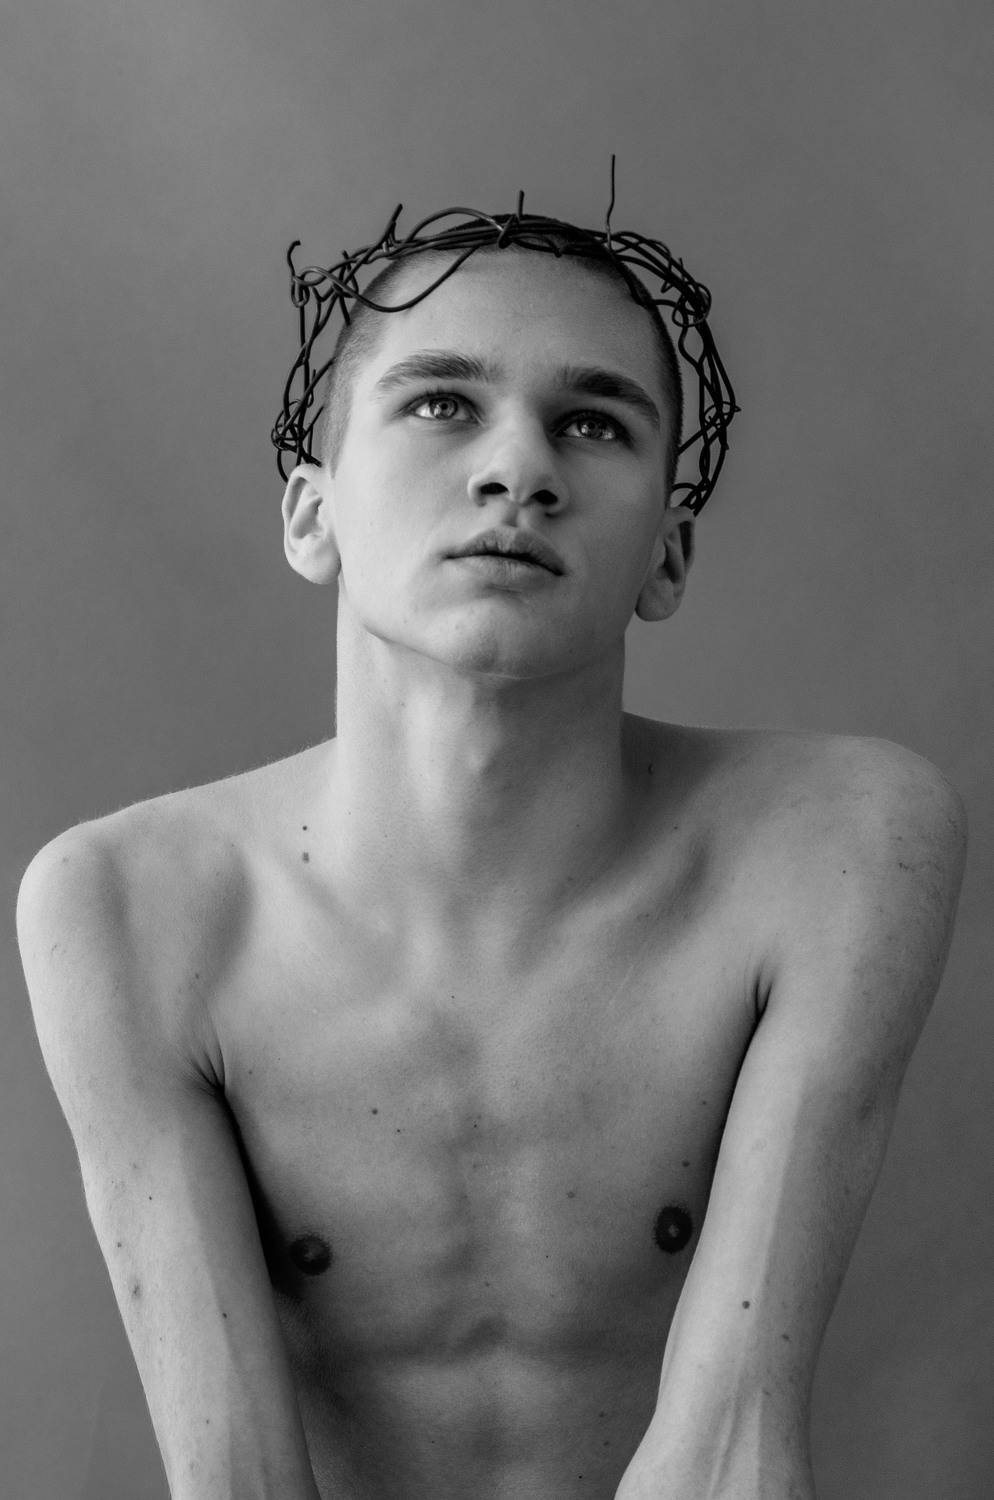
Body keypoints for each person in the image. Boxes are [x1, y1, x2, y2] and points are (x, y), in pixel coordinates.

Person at [16, 192, 966, 1500]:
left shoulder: (841, 844)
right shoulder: (127, 907)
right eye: (439, 403)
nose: (520, 470)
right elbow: (235, 1484)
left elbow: (731, 1460)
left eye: (594, 422)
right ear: (312, 516)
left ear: (667, 555)